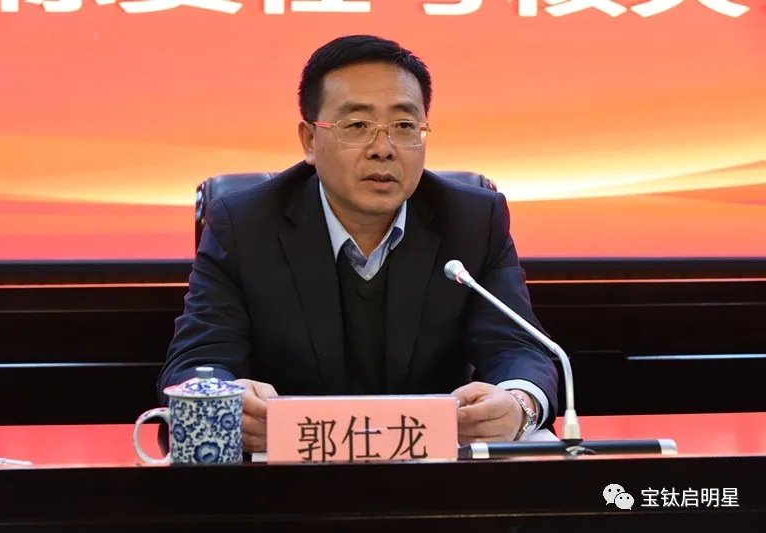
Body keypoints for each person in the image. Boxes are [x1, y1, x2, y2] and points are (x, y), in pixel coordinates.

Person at [158, 34, 559, 453]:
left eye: (404, 126)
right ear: (309, 140)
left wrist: (519, 403)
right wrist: (226, 401)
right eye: (357, 126)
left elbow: (518, 348)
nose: (383, 149)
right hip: (287, 476)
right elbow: (198, 359)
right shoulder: (244, 225)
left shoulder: (472, 221)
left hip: (434, 474)